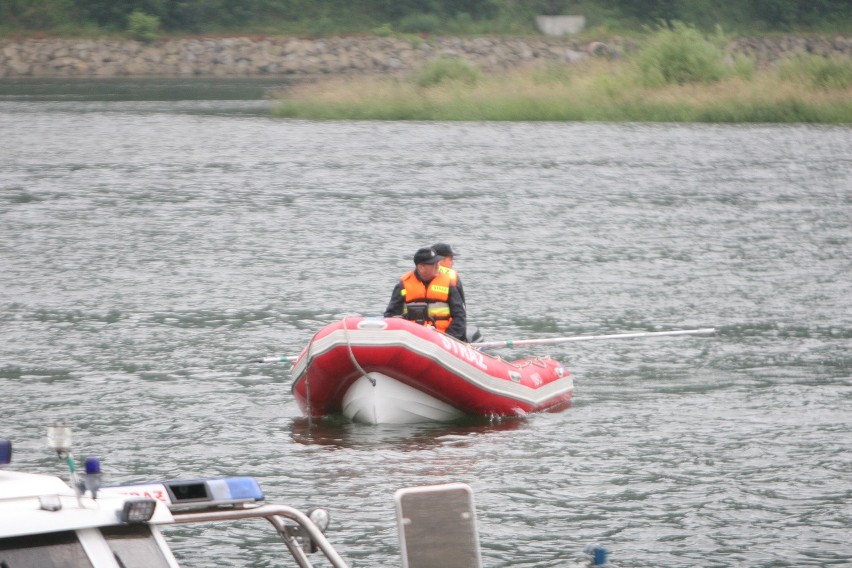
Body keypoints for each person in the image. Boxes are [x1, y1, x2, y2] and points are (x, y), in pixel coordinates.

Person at [384, 247, 467, 341]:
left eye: (437, 262)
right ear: (421, 267)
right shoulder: (403, 285)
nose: (437, 265)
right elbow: (391, 315)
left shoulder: (448, 284)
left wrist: (449, 338)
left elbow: (460, 316)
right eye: (433, 263)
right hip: (411, 339)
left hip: (443, 338)